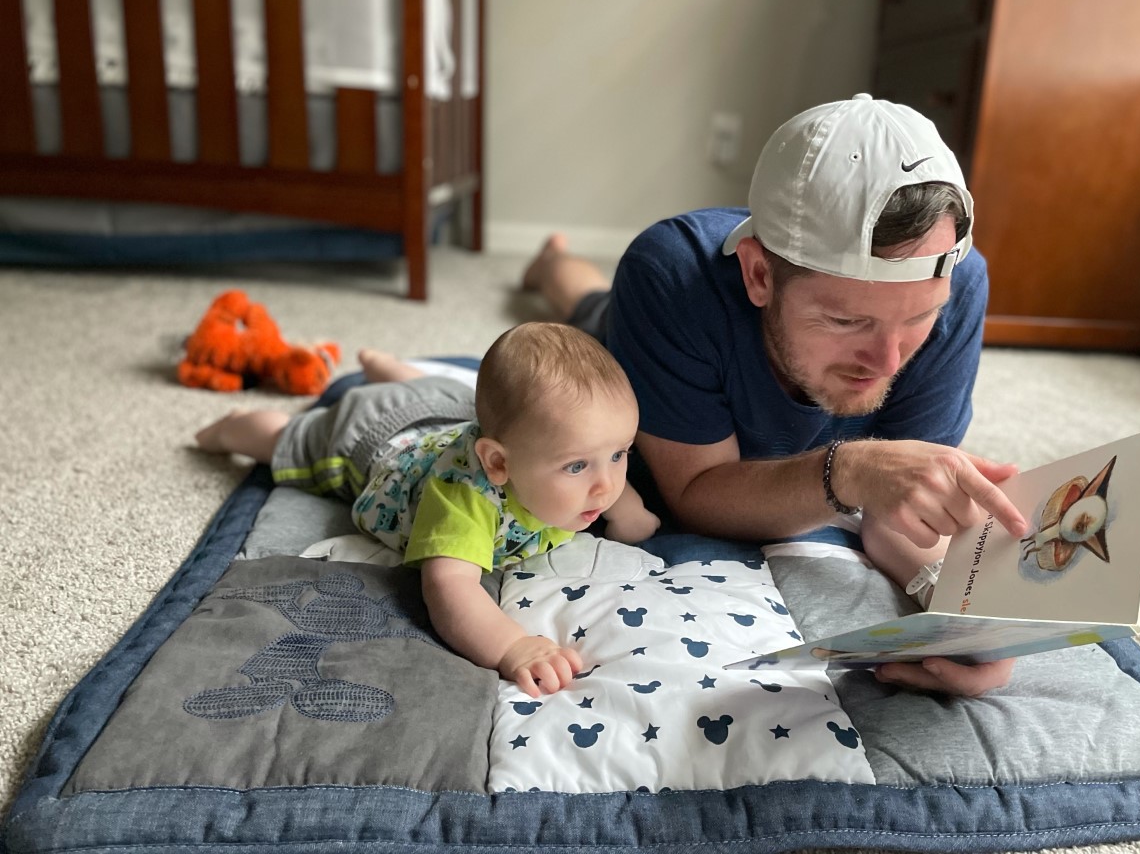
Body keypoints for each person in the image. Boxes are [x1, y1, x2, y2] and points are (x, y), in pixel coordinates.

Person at [522, 94, 1028, 698]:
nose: (890, 361)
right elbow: (693, 494)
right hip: (630, 344)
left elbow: (906, 508)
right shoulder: (671, 277)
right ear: (759, 275)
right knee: (586, 308)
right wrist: (849, 472)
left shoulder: (962, 283)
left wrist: (967, 621)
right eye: (847, 322)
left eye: (920, 318)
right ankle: (551, 263)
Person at [195, 322, 661, 699]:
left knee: (451, 395)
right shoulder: (463, 500)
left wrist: (631, 512)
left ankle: (390, 369)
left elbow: (609, 484)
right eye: (577, 465)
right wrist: (513, 646)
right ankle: (233, 428)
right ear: (497, 463)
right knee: (288, 440)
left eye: (620, 454)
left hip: (445, 406)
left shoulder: (576, 464)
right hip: (371, 434)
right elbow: (449, 587)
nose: (607, 484)